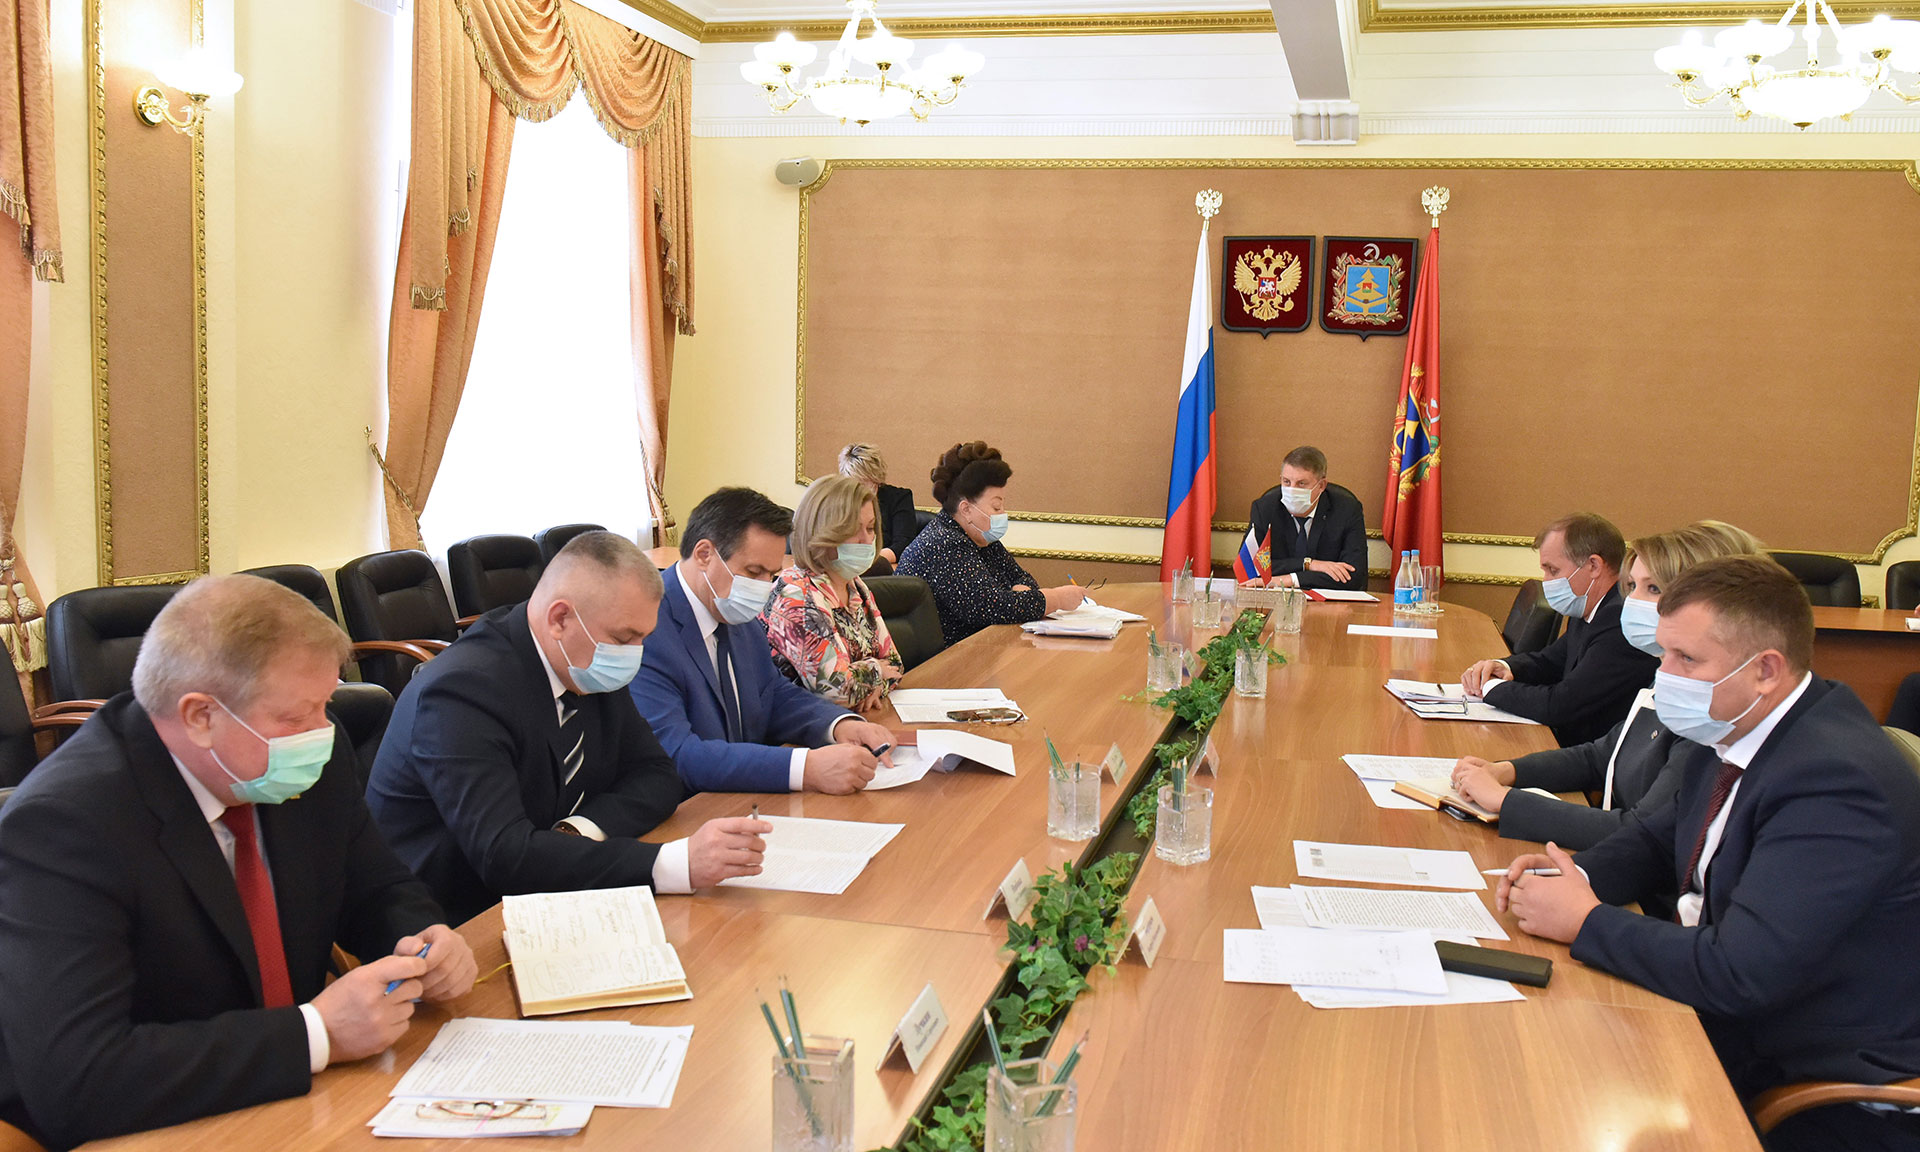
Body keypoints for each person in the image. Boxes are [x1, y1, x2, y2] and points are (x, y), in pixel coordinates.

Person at [0, 575, 478, 1150]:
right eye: (296, 717)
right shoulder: (63, 827)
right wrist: (316, 1033)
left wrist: (423, 941)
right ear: (200, 716)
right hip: (153, 1123)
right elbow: (80, 1078)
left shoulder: (298, 758)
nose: (322, 734)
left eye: (325, 704)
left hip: (306, 1101)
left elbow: (378, 888)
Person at [1498, 556, 1920, 1152]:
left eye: (1686, 659)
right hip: (1729, 1012)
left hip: (1822, 1081)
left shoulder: (1836, 781)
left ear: (1766, 669)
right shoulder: (1736, 721)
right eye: (1665, 653)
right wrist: (1573, 876)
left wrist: (1585, 919)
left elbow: (1740, 973)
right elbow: (1655, 839)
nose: (1664, 673)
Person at [366, 532, 770, 926]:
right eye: (625, 638)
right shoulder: (463, 691)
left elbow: (658, 775)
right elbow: (504, 856)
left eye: (643, 638)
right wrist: (673, 863)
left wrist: (574, 832)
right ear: (560, 618)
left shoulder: (584, 658)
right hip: (457, 920)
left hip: (553, 890)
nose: (634, 655)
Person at [1451, 522, 1765, 859]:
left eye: (1653, 588)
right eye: (1632, 586)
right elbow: (1602, 755)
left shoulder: (1711, 708)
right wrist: (1507, 770)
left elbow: (1642, 832)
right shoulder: (1669, 672)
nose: (1631, 600)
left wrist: (1505, 801)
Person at [628, 487, 896, 794]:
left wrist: (840, 725)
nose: (763, 587)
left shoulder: (732, 609)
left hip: (746, 799)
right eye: (753, 571)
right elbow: (678, 753)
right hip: (688, 808)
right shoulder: (645, 629)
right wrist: (804, 768)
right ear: (704, 555)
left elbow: (774, 695)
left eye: (771, 574)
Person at [1460, 512, 1657, 747]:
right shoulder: (1590, 605)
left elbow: (1560, 705)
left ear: (1593, 566)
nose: (1546, 580)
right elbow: (1551, 661)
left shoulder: (1618, 619)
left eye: (1552, 570)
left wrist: (1491, 688)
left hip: (1589, 754)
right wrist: (1503, 667)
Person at [895, 441, 1081, 647]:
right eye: (996, 506)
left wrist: (1021, 596)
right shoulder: (943, 544)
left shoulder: (983, 539)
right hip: (944, 659)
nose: (1003, 513)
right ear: (966, 509)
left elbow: (1023, 579)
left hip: (980, 648)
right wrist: (1056, 599)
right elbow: (991, 606)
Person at [764, 476, 905, 712]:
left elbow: (895, 664)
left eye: (870, 528)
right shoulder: (795, 595)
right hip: (798, 727)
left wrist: (874, 686)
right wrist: (876, 671)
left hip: (852, 718)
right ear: (821, 533)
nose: (866, 540)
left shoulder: (855, 585)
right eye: (853, 530)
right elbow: (836, 690)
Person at [1243, 445, 1368, 591]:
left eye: (1301, 484)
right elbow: (1249, 566)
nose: (1292, 490)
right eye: (1286, 482)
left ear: (1321, 486)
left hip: (1328, 602)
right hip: (1275, 599)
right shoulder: (1265, 508)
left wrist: (1289, 580)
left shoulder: (1347, 510)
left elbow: (1353, 575)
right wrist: (1309, 564)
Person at [839, 442, 922, 570]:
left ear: (876, 478)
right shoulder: (838, 501)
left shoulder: (899, 498)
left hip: (882, 568)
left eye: (864, 483)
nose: (858, 491)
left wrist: (866, 560)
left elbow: (904, 545)